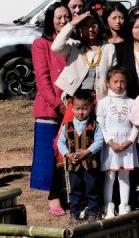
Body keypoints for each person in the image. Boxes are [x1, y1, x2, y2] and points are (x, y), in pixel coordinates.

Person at [31, 3, 71, 216]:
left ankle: (69, 192)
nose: (63, 21)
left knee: (68, 152)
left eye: (67, 16)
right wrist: (57, 103)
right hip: (49, 107)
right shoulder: (41, 43)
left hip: (73, 106)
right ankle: (53, 195)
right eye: (59, 17)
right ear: (50, 19)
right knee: (48, 154)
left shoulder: (74, 43)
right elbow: (43, 78)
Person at [58, 90, 104, 225]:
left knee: (92, 189)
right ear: (72, 108)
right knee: (75, 190)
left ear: (91, 108)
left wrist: (87, 152)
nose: (81, 112)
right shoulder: (67, 127)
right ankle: (74, 213)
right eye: (77, 109)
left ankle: (93, 212)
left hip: (91, 165)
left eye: (84, 108)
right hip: (73, 165)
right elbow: (60, 142)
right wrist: (67, 154)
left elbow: (99, 142)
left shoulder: (94, 125)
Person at [97, 68, 138, 219]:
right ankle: (109, 205)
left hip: (127, 144)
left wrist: (129, 141)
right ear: (108, 83)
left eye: (122, 81)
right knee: (109, 176)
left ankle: (124, 205)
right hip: (110, 145)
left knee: (124, 175)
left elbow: (136, 125)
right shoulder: (103, 103)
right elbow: (100, 125)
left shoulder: (132, 102)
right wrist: (110, 142)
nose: (119, 85)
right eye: (115, 81)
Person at [54, 11, 115, 102]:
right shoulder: (75, 45)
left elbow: (113, 75)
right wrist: (71, 24)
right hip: (75, 97)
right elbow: (56, 47)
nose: (90, 29)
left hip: (100, 98)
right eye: (85, 25)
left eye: (94, 24)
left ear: (99, 25)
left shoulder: (109, 48)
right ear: (80, 28)